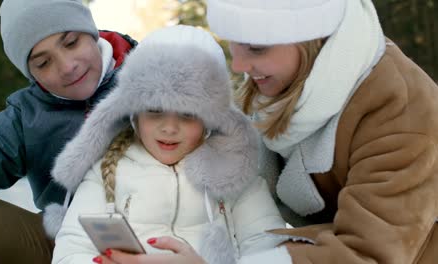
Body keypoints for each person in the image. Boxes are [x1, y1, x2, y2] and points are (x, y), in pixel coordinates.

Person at [96, 0, 438, 263]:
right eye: (235, 44)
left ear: (309, 38)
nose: (240, 66)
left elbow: (371, 254)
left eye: (256, 48)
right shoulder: (279, 81)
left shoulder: (401, 110)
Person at [46, 25, 287, 264]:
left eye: (188, 114)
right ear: (134, 114)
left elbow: (270, 249)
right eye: (155, 110)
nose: (169, 128)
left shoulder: (234, 175)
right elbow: (72, 249)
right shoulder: (105, 171)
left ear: (210, 119)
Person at [0, 0, 137, 263]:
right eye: (43, 62)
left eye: (71, 42)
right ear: (32, 74)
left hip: (163, 239)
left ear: (90, 31)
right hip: (67, 243)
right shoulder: (28, 116)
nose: (67, 66)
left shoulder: (152, 75)